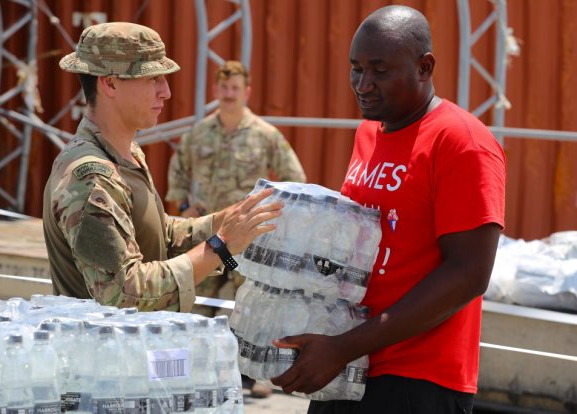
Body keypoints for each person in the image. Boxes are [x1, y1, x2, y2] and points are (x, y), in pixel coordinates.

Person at [271, 5, 506, 414]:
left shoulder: (462, 142)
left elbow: (468, 274)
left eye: (380, 71)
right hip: (347, 368)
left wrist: (344, 346)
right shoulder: (368, 133)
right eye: (355, 69)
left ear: (424, 67)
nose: (363, 84)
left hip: (416, 381)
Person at [42, 22, 283, 314]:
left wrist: (222, 222)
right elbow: (124, 293)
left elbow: (157, 236)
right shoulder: (92, 176)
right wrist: (221, 246)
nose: (166, 92)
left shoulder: (125, 155)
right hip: (105, 355)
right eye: (153, 79)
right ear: (110, 83)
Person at [165, 60, 306, 397]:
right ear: (216, 91)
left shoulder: (265, 135)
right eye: (224, 88)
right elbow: (177, 173)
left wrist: (268, 214)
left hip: (249, 242)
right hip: (211, 239)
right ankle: (190, 371)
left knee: (249, 306)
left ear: (247, 92)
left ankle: (250, 376)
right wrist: (185, 207)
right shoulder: (199, 134)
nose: (229, 94)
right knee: (198, 302)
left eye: (235, 89)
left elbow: (295, 179)